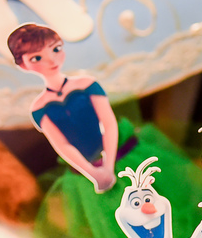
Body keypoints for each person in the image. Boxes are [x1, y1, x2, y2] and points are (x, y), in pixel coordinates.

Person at [9, 24, 119, 192]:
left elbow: (109, 123)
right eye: (36, 58)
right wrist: (93, 173)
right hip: (83, 170)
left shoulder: (87, 84)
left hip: (116, 154)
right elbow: (62, 145)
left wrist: (108, 167)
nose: (51, 60)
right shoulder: (39, 108)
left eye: (56, 49)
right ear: (23, 65)